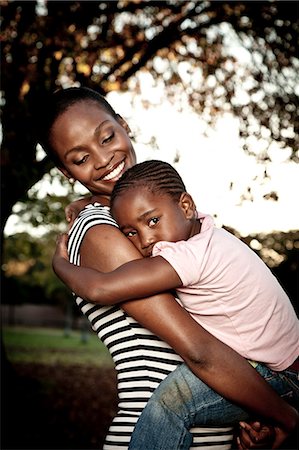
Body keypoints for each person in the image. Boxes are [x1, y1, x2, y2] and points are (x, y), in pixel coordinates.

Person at [36, 86, 296, 450]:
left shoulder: (157, 223)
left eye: (107, 137)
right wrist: (284, 414)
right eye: (80, 159)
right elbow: (198, 349)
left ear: (123, 126)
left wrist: (252, 416)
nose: (103, 159)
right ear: (66, 171)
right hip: (154, 431)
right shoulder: (101, 232)